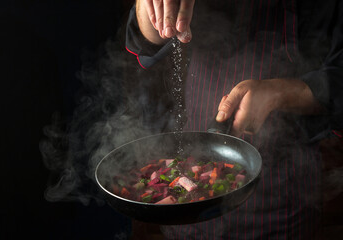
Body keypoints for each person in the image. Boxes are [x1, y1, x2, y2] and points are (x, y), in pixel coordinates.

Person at [125, 0, 343, 239]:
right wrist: (154, 9)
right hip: (188, 193)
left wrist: (282, 92)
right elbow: (146, 39)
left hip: (284, 197)